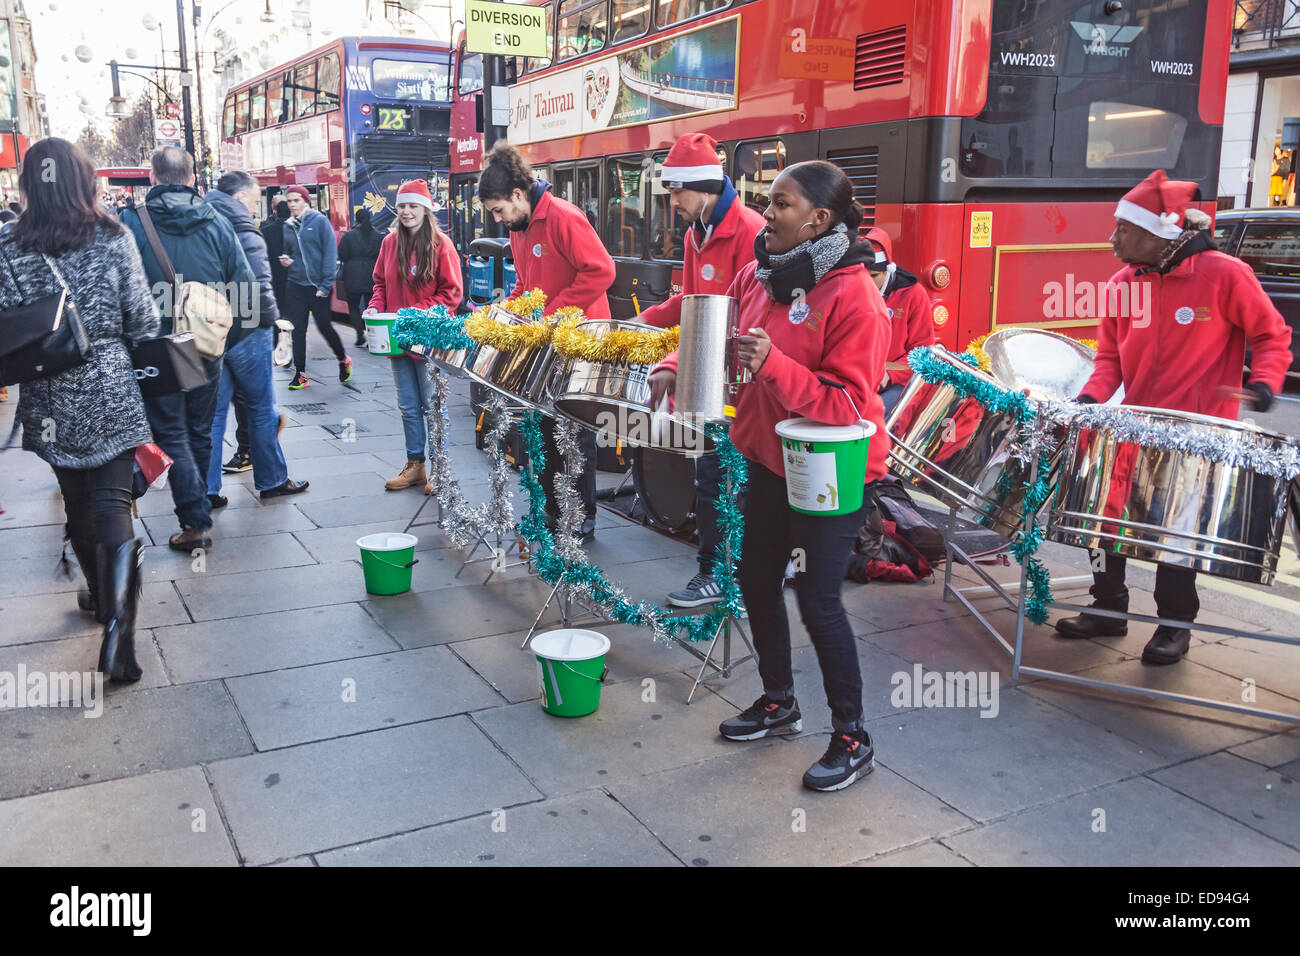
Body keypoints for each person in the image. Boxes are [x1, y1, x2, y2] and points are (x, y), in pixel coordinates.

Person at [1055, 169, 1293, 664]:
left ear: (1155, 233)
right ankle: (1108, 606)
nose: (1112, 238)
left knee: (1177, 539)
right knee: (1103, 523)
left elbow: (1271, 336)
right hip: (1135, 425)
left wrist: (1265, 384)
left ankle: (1174, 625)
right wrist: (1091, 400)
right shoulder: (1124, 283)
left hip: (1196, 433)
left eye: (1123, 229)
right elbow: (1109, 359)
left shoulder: (1224, 275)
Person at [716, 160, 891, 793]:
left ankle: (853, 736)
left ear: (818, 220)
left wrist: (774, 366)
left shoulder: (855, 297)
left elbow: (847, 405)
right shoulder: (758, 276)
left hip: (834, 471)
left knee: (817, 600)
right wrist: (676, 365)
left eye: (780, 205)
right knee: (755, 578)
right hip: (769, 459)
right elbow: (725, 338)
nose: (767, 215)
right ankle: (779, 700)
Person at [0, 138, 160, 682]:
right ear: (84, 180)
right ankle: (120, 631)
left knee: (76, 501)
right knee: (114, 503)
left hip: (48, 393)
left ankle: (97, 595)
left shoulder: (9, 245)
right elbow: (141, 318)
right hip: (111, 384)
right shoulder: (113, 236)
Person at [638, 132, 766, 607]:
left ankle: (719, 574)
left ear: (705, 186)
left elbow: (738, 315)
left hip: (738, 383)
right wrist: (639, 325)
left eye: (676, 191)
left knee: (722, 477)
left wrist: (672, 362)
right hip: (711, 376)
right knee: (711, 475)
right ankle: (728, 569)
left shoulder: (749, 231)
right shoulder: (697, 233)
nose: (672, 201)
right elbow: (693, 305)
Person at [121, 146, 260, 551]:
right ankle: (193, 514)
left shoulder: (130, 222)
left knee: (166, 431)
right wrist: (221, 339)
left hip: (152, 347)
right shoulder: (217, 222)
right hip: (204, 345)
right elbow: (247, 291)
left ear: (152, 178)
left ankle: (193, 520)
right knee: (198, 430)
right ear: (192, 178)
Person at [477, 142, 615, 541]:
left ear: (518, 195)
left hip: (581, 339)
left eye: (500, 210)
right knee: (545, 429)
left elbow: (602, 271)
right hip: (549, 342)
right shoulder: (520, 228)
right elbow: (526, 284)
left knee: (576, 433)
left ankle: (580, 518)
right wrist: (504, 316)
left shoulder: (562, 217)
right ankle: (553, 514)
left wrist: (553, 314)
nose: (500, 220)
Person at [203, 170, 310, 503]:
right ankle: (272, 480)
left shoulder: (200, 222)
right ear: (238, 198)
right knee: (262, 408)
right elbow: (259, 284)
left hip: (211, 331)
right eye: (252, 200)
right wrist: (272, 320)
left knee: (215, 414)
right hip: (248, 330)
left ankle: (207, 490)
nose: (254, 208)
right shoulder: (243, 230)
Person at [363, 180, 464, 494]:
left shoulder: (440, 244)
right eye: (403, 205)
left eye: (413, 206)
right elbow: (379, 283)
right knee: (408, 406)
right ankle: (415, 465)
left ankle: (440, 467)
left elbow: (452, 294)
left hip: (427, 339)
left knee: (433, 406)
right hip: (397, 339)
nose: (406, 211)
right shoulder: (389, 243)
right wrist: (375, 307)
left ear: (426, 209)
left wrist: (409, 313)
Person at [279, 185, 348, 389]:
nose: (292, 204)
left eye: (296, 200)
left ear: (306, 201)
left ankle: (343, 359)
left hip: (317, 286)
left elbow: (329, 254)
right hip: (295, 284)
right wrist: (287, 260)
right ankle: (300, 374)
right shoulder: (288, 225)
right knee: (297, 330)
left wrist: (326, 284)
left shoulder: (319, 221)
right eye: (289, 201)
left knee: (324, 326)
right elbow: (289, 251)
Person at [864, 226, 936, 416]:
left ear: (888, 271)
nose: (867, 283)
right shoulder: (853, 290)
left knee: (873, 416)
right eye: (862, 276)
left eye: (873, 277)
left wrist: (890, 374)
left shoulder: (913, 294)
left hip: (898, 382)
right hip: (860, 378)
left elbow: (923, 353)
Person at [339, 207, 384, 348]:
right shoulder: (378, 236)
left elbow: (342, 255)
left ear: (356, 219)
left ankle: (359, 335)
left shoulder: (349, 236)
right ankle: (372, 338)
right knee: (371, 308)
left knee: (353, 307)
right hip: (372, 275)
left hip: (352, 276)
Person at [261, 199, 291, 311]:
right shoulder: (297, 230)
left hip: (273, 277)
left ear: (276, 213)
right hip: (292, 278)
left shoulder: (265, 231)